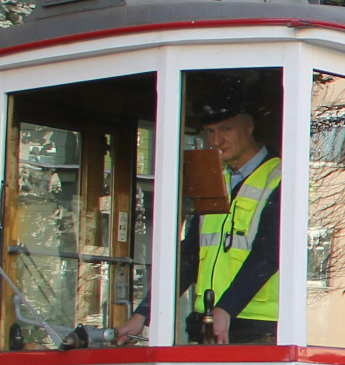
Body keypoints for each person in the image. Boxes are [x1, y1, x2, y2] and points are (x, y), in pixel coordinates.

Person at [117, 98, 281, 345]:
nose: (215, 141)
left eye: (226, 129)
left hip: (256, 326)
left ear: (248, 126)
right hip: (208, 322)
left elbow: (269, 254)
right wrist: (144, 313)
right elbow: (190, 253)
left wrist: (226, 307)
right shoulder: (215, 179)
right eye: (210, 132)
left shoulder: (280, 177)